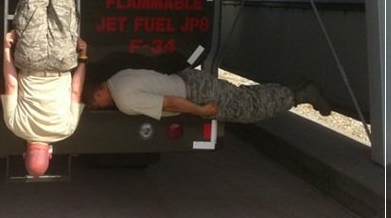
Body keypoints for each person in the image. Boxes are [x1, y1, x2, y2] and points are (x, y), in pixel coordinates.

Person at [2, 0, 86, 178]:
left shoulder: (66, 130)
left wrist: (83, 57)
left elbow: (75, 91)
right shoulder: (15, 126)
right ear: (24, 154)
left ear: (50, 154)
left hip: (62, 60)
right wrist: (7, 49)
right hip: (31, 57)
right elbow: (11, 84)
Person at [83, 67, 332, 123]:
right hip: (190, 79)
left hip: (197, 94)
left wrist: (201, 110)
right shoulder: (118, 76)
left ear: (98, 94)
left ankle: (300, 94)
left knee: (249, 108)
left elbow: (169, 102)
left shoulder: (124, 100)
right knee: (244, 96)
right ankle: (293, 89)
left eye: (97, 104)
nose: (101, 107)